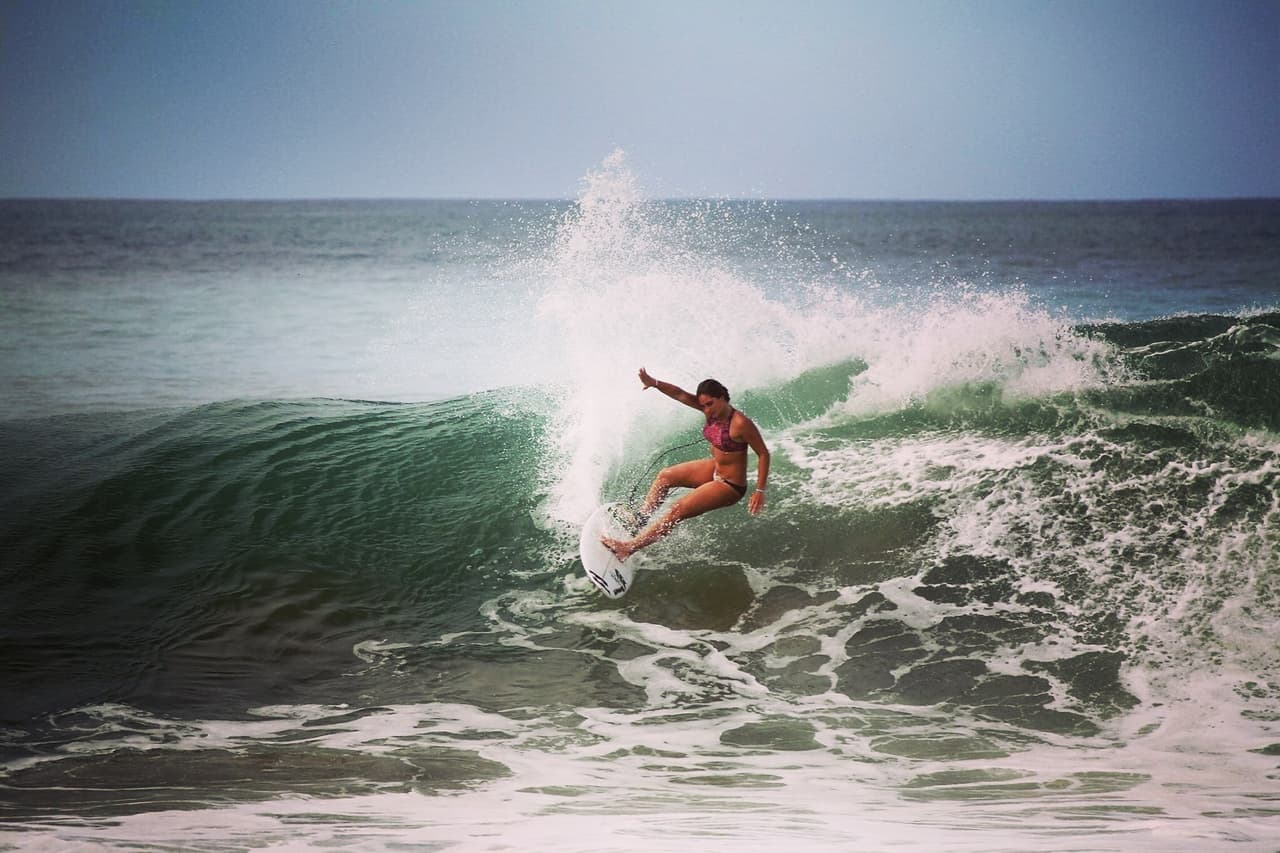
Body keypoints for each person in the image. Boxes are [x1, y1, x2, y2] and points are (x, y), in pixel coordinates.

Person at [602, 367, 770, 561]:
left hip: (729, 485)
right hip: (715, 468)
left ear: (723, 397)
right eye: (703, 406)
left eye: (710, 404)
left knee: (677, 509)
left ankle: (628, 548)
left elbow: (763, 454)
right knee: (665, 476)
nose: (707, 410)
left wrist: (760, 491)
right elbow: (680, 394)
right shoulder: (710, 412)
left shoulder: (740, 424)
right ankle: (640, 519)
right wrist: (654, 383)